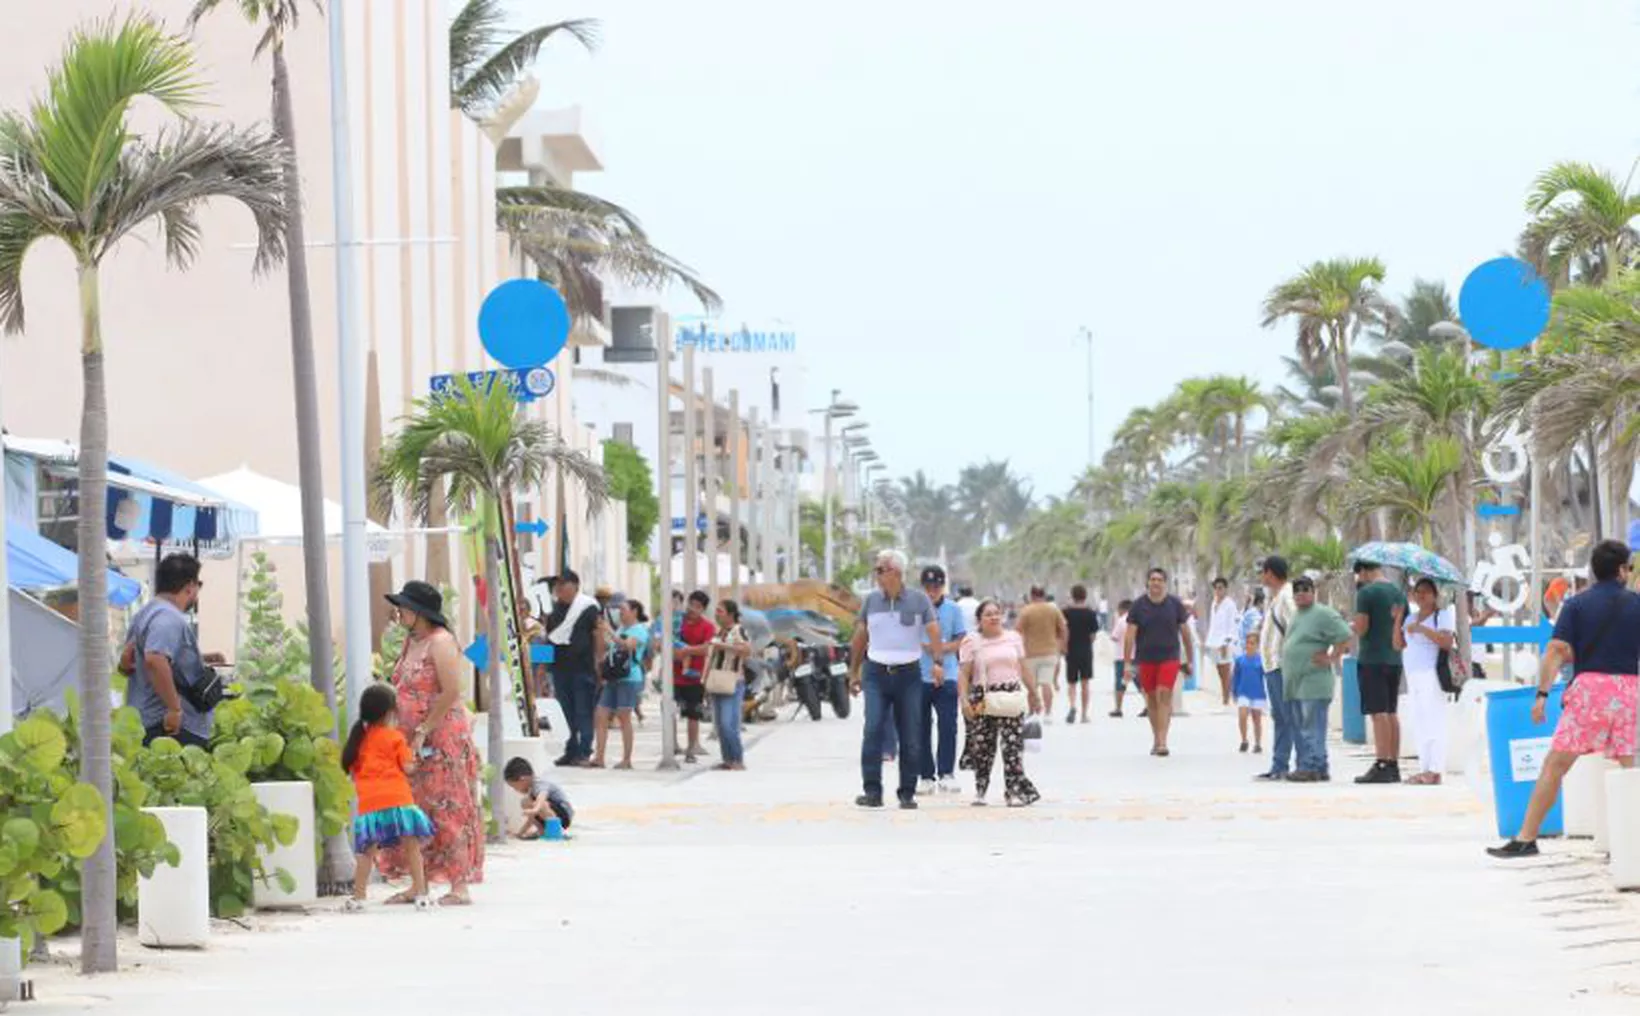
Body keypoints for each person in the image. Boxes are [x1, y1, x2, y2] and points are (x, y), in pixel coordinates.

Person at [1489, 540, 1640, 858]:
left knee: (1555, 765)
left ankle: (1526, 838)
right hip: (1629, 691)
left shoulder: (1576, 605)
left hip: (1590, 692)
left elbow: (1556, 651)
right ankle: (1630, 844)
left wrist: (1542, 694)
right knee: (1629, 771)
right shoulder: (1636, 604)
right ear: (1621, 570)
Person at [378, 581, 483, 906]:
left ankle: (458, 884)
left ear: (419, 613)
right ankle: (417, 882)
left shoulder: (441, 642)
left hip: (440, 737)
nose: (399, 613)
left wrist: (424, 728)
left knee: (446, 806)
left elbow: (451, 691)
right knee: (414, 807)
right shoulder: (413, 643)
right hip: (409, 739)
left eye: (404, 608)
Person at [848, 549, 941, 810]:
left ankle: (907, 793)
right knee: (873, 729)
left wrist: (937, 663)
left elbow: (933, 630)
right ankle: (872, 791)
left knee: (910, 733)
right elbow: (860, 636)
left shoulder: (918, 600)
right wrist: (853, 672)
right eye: (876, 570)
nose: (876, 575)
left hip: (908, 675)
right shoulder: (871, 601)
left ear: (896, 573)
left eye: (880, 570)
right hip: (876, 673)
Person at [341, 683, 434, 910]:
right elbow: (408, 767)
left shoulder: (358, 740)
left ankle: (359, 897)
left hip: (370, 803)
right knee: (412, 846)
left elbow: (353, 771)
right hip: (398, 799)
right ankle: (421, 894)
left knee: (366, 852)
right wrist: (419, 759)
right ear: (390, 712)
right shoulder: (395, 738)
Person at [119, 553, 224, 748]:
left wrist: (202, 658)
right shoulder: (168, 618)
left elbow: (130, 663)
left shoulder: (144, 614)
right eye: (198, 586)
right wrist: (174, 709)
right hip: (171, 728)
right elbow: (155, 659)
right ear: (190, 586)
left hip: (147, 720)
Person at [958, 599, 1043, 807]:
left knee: (1012, 747)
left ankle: (1014, 791)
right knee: (983, 747)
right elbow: (964, 673)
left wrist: (1034, 693)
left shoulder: (1013, 638)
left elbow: (1023, 668)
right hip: (983, 697)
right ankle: (981, 790)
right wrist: (964, 700)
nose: (994, 617)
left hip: (1011, 696)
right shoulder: (972, 641)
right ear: (979, 619)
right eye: (988, 614)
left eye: (997, 613)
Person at [1282, 576, 1354, 782]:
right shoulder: (1297, 615)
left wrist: (1332, 657)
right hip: (1296, 682)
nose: (1301, 593)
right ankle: (1319, 766)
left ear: (1313, 592)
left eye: (1305, 589)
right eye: (1297, 590)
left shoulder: (1323, 613)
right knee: (1305, 726)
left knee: (1311, 726)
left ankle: (1310, 766)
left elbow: (1345, 635)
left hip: (1313, 681)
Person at [1123, 568, 1195, 756]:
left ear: (1165, 583)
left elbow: (1186, 633)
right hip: (1145, 658)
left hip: (1170, 657)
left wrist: (1190, 659)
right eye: (1153, 579)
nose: (1156, 583)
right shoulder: (1138, 606)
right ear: (1147, 583)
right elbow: (1130, 635)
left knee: (1164, 694)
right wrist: (1127, 663)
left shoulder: (1174, 604)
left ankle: (1163, 741)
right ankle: (1156, 738)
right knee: (1152, 699)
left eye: (1160, 580)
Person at [1352, 560, 1408, 785]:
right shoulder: (1398, 593)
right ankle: (1393, 763)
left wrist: (1354, 625)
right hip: (1394, 658)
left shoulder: (1367, 593)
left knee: (1378, 712)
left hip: (1372, 657)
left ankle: (1381, 762)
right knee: (1391, 711)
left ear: (1363, 571)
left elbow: (1363, 626)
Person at [545, 570, 605, 767]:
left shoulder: (588, 607)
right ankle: (570, 750)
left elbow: (598, 635)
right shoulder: (554, 611)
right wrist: (542, 667)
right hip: (560, 669)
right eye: (557, 586)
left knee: (583, 711)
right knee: (565, 713)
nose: (559, 589)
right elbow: (549, 639)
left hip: (583, 669)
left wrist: (599, 662)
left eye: (563, 585)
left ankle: (584, 750)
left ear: (575, 586)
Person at [917, 565, 967, 795]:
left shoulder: (953, 609)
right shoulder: (913, 611)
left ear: (942, 587)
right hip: (919, 675)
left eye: (935, 587)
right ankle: (926, 775)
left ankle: (947, 772)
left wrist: (939, 648)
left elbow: (960, 640)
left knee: (948, 725)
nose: (932, 591)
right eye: (927, 587)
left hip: (947, 675)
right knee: (920, 727)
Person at [1402, 578, 1456, 785]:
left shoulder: (1441, 616)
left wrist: (1423, 630)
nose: (1421, 595)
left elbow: (1446, 642)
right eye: (1418, 592)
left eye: (1425, 592)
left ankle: (1435, 768)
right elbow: (1399, 643)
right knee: (1420, 721)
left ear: (1434, 595)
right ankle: (1424, 767)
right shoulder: (1411, 618)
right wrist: (1399, 619)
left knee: (1435, 721)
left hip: (1431, 673)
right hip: (1413, 674)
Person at [592, 599, 649, 769]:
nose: (620, 613)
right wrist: (602, 634)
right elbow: (609, 648)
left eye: (623, 609)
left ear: (634, 611)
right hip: (614, 678)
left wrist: (610, 631)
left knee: (624, 717)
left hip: (630, 677)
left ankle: (626, 759)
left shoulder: (639, 631)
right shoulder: (621, 629)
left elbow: (627, 646)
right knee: (601, 714)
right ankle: (599, 756)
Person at [1256, 558, 1298, 781]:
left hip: (1281, 665)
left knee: (1286, 717)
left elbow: (1295, 624)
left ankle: (1283, 764)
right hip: (1272, 666)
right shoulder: (1275, 598)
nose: (1262, 577)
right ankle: (1278, 764)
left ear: (1270, 573)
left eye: (1263, 573)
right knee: (1280, 717)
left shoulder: (1286, 597)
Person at [708, 599, 753, 771]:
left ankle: (737, 759)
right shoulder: (720, 632)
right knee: (720, 724)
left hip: (733, 680)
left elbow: (747, 650)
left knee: (728, 723)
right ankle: (727, 759)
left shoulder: (738, 630)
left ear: (730, 613)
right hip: (717, 679)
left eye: (720, 611)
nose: (717, 614)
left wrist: (724, 646)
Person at [673, 590, 716, 763]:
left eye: (698, 606)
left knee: (693, 713)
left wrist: (688, 650)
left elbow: (708, 648)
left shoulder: (708, 627)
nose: (692, 609)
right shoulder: (677, 621)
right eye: (691, 604)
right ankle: (673, 744)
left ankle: (692, 746)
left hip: (695, 676)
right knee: (670, 710)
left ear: (703, 609)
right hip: (674, 674)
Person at [1017, 585, 1068, 723]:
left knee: (1032, 687)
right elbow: (1063, 629)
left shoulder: (1026, 611)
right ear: (1044, 595)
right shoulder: (1053, 610)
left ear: (1031, 595)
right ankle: (1048, 713)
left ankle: (1032, 712)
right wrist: (1062, 646)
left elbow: (1018, 631)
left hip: (1030, 653)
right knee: (1047, 683)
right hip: (1050, 652)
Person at [503, 757, 575, 838]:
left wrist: (535, 809)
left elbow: (542, 797)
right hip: (550, 812)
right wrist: (520, 833)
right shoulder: (531, 793)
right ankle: (542, 831)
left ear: (522, 779)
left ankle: (558, 831)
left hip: (564, 815)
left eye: (514, 787)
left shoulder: (539, 784)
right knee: (525, 802)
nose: (515, 790)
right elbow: (531, 819)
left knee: (541, 804)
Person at [1062, 584, 1100, 723]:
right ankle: (1084, 714)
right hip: (1085, 651)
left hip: (1071, 650)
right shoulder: (1090, 613)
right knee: (1085, 683)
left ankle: (1072, 706)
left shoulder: (1065, 612)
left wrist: (1064, 646)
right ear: (1085, 596)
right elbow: (1093, 635)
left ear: (1072, 596)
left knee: (1071, 683)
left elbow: (1063, 631)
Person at [1206, 577, 1241, 706]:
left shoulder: (1230, 604)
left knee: (1226, 671)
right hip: (1214, 641)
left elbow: (1232, 625)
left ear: (1225, 589)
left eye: (1221, 588)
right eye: (1216, 588)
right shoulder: (1214, 603)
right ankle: (1225, 696)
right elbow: (1213, 623)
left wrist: (1226, 643)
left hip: (1224, 642)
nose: (1218, 590)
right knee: (1220, 671)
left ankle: (1227, 699)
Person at [1232, 631, 1267, 753]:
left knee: (1256, 718)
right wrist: (1234, 692)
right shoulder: (1240, 660)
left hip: (1257, 693)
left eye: (1252, 643)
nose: (1249, 645)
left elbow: (1266, 677)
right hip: (1243, 692)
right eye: (1247, 643)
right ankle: (1244, 740)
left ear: (1257, 645)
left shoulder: (1261, 661)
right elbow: (1235, 676)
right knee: (1242, 716)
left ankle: (1258, 743)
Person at [1109, 598, 1135, 718]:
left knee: (1120, 684)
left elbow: (1114, 637)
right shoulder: (1138, 619)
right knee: (1141, 683)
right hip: (1136, 656)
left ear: (1123, 609)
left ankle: (1118, 708)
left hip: (1121, 657)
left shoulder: (1121, 620)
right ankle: (1149, 706)